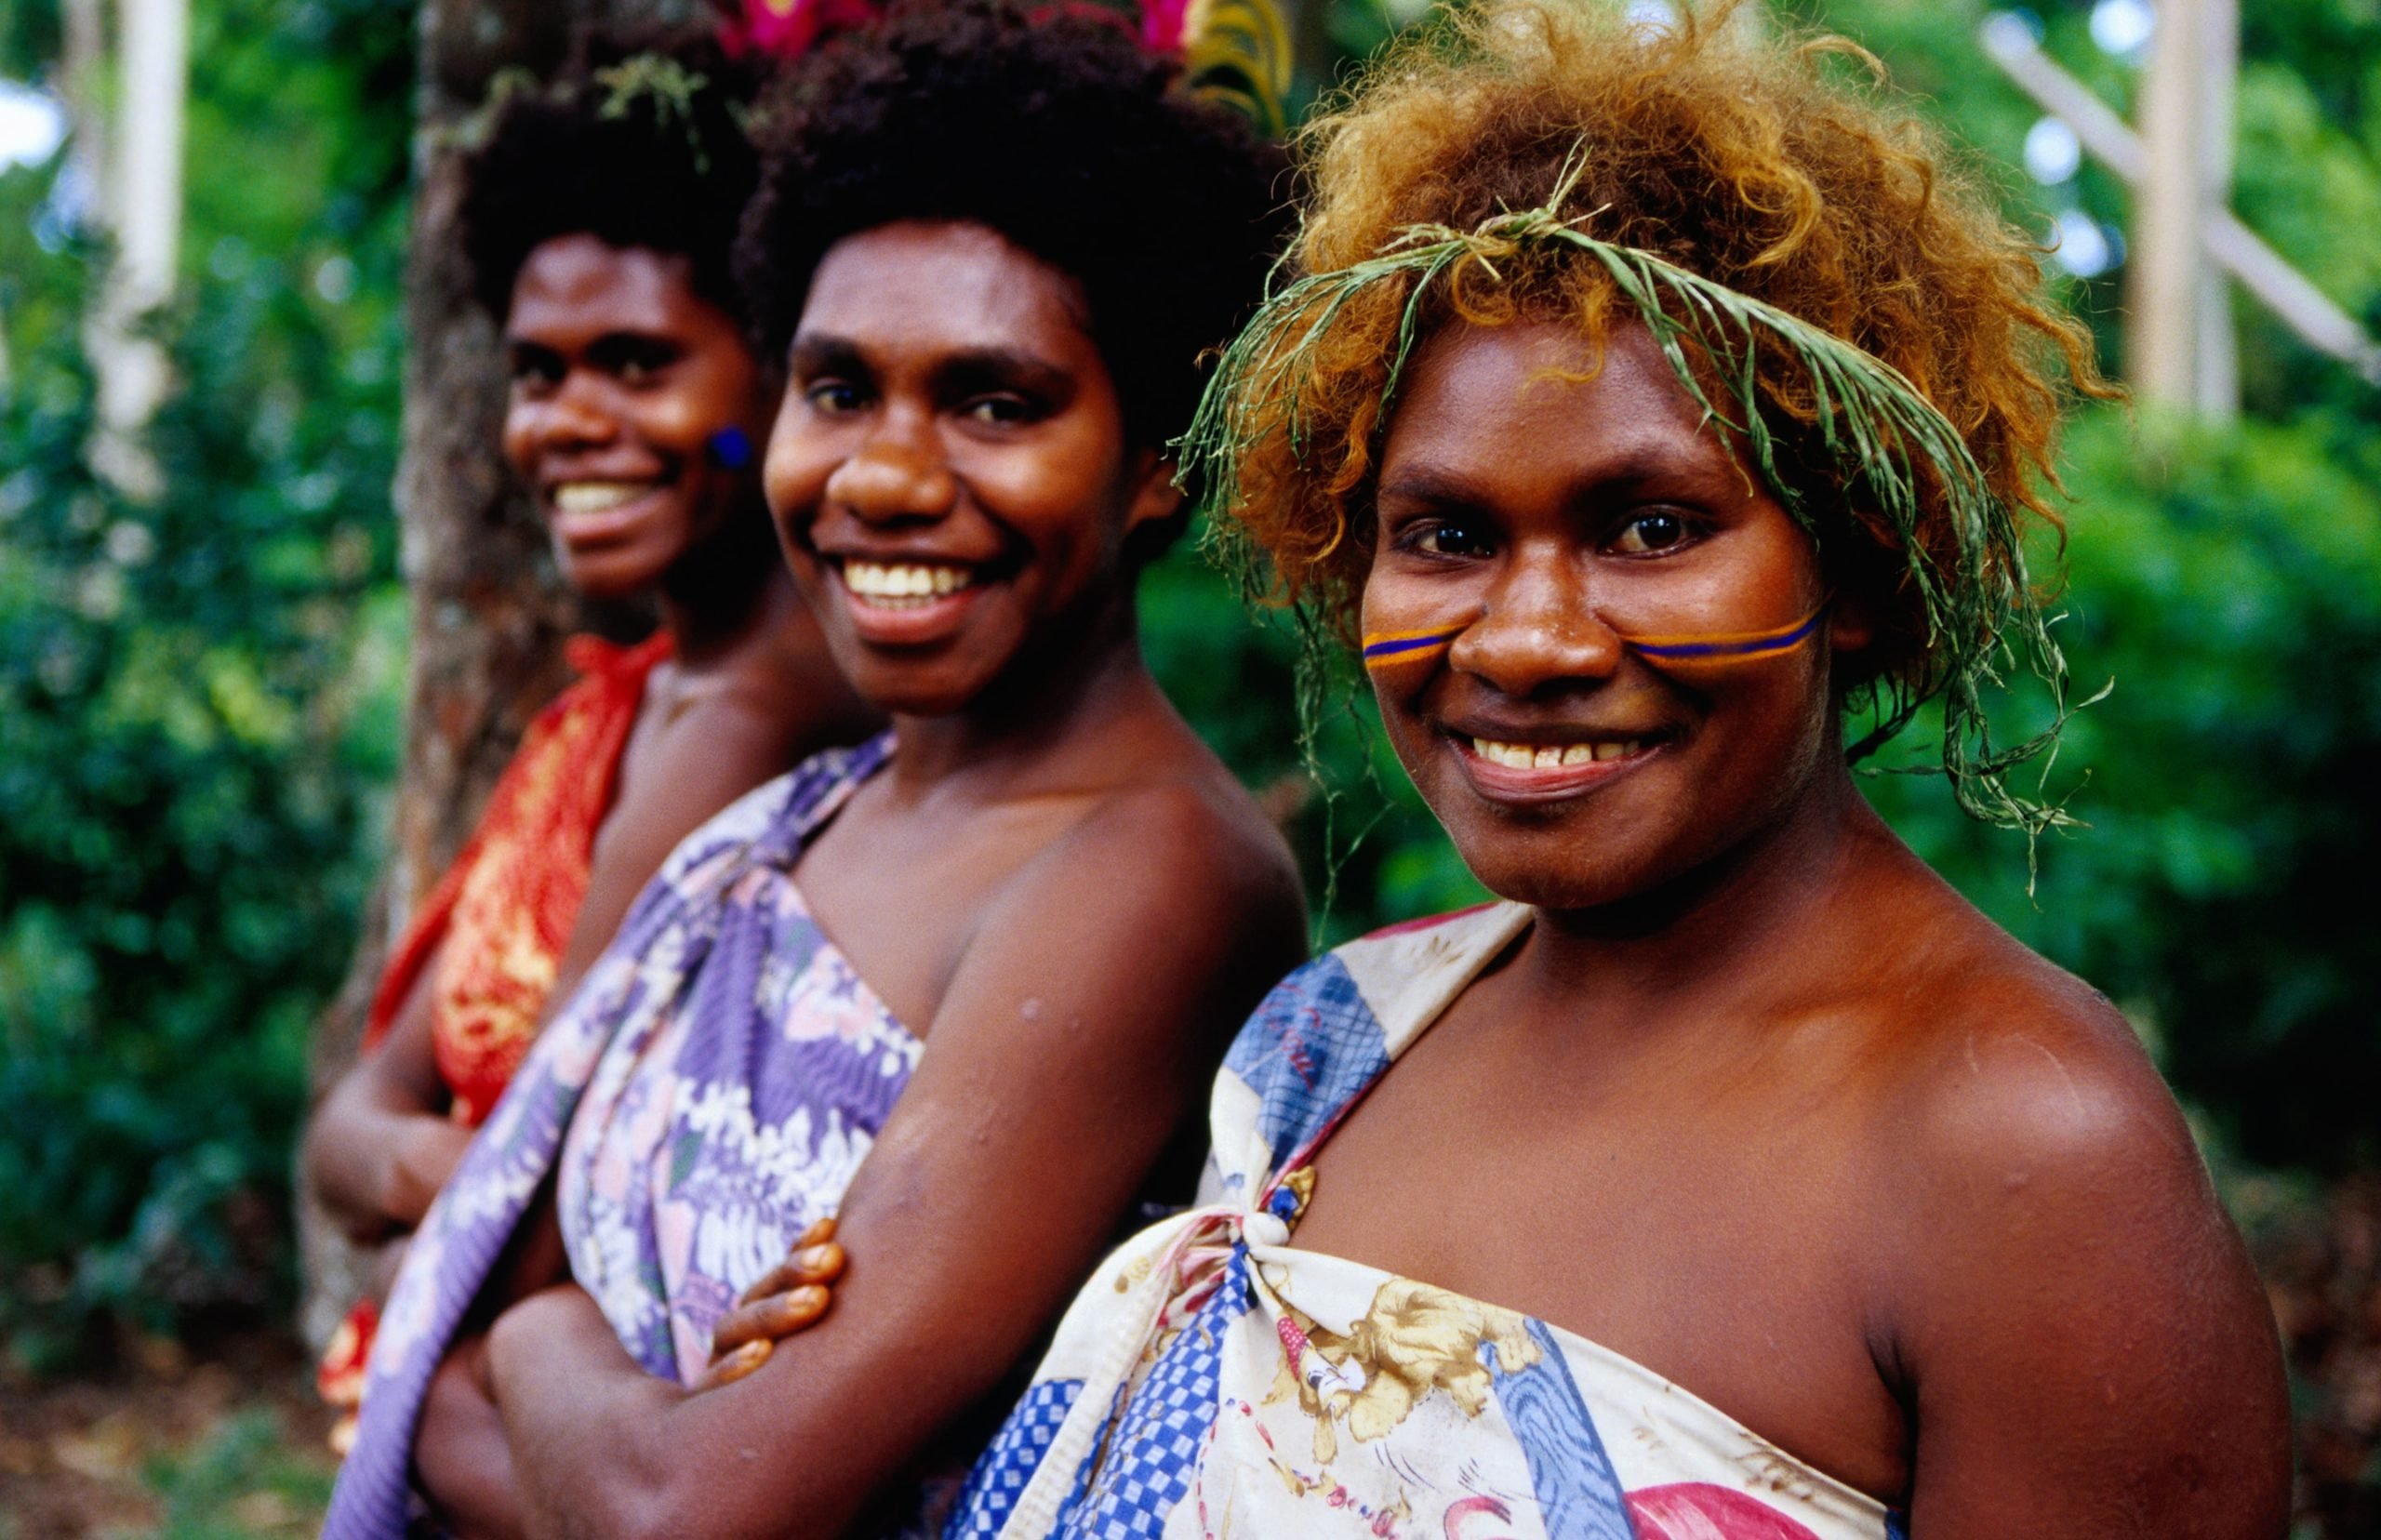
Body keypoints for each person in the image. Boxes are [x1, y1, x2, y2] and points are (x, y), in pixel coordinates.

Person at [946, 3, 2295, 1536]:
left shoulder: (2021, 1150)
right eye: (1446, 534)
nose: (1523, 639)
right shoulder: (1330, 1054)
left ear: (1854, 560)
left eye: (1651, 527)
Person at [321, 5, 1305, 1534]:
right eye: (839, 390)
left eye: (996, 402)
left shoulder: (1153, 873)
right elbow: (446, 1340)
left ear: (1161, 458)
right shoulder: (786, 826)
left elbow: (687, 1502)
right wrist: (579, 1388)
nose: (886, 480)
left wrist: (543, 1339)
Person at [299, 26, 877, 1453]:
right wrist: (455, 1170)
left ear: (779, 371)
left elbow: (518, 1198)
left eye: (636, 362)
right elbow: (351, 1129)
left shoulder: (761, 711)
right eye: (540, 373)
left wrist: (421, 1181)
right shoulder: (621, 705)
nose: (573, 423)